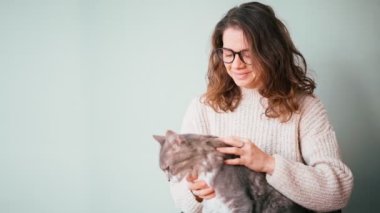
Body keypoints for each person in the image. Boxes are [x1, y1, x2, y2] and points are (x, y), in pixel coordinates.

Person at [170, 2, 354, 212]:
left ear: (271, 52)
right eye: (228, 53)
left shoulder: (305, 107)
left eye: (247, 53)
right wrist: (194, 192)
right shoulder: (202, 108)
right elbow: (181, 195)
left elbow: (338, 192)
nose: (236, 64)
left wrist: (268, 164)